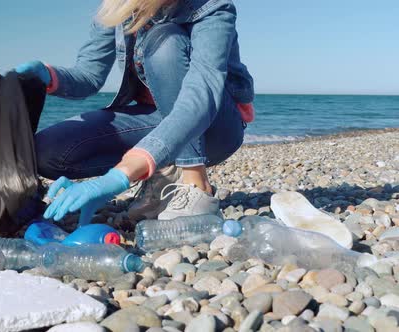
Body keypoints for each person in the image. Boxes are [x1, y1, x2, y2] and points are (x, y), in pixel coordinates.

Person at [15, 0, 254, 226]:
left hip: (215, 127)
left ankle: (194, 181)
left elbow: (201, 94)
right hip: (156, 118)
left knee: (164, 42)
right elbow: (89, 75)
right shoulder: (118, 7)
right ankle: (166, 171)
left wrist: (121, 175)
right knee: (47, 151)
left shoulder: (211, 7)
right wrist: (47, 75)